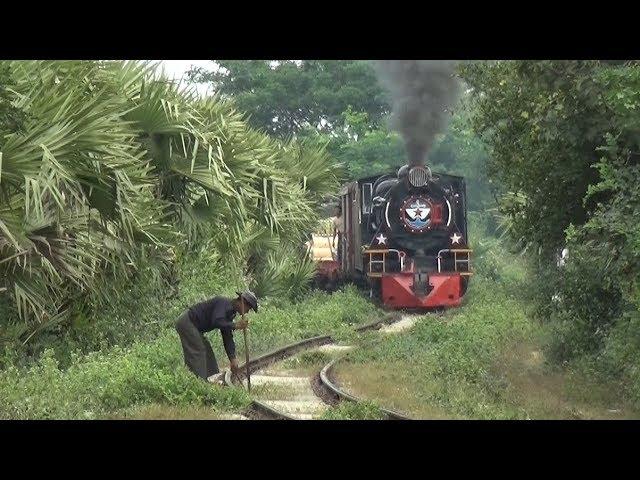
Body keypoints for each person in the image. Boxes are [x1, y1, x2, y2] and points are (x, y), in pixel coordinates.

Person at [175, 290, 258, 382]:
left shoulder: (231, 314)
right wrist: (235, 325)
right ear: (243, 302)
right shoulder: (222, 302)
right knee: (198, 350)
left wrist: (232, 359)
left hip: (196, 328)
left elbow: (227, 336)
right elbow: (217, 321)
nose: (246, 312)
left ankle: (213, 379)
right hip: (187, 322)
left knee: (207, 351)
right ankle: (198, 383)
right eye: (248, 308)